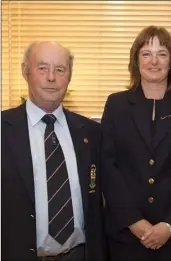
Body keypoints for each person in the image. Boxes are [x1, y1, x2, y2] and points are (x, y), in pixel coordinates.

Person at [101, 25, 171, 261]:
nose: (154, 61)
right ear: (136, 61)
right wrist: (133, 221)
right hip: (126, 234)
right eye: (146, 53)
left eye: (162, 53)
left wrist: (169, 225)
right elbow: (108, 166)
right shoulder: (116, 105)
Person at [1, 41, 106, 261]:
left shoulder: (92, 133)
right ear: (25, 71)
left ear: (69, 76)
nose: (51, 77)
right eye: (42, 68)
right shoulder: (3, 129)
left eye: (60, 70)